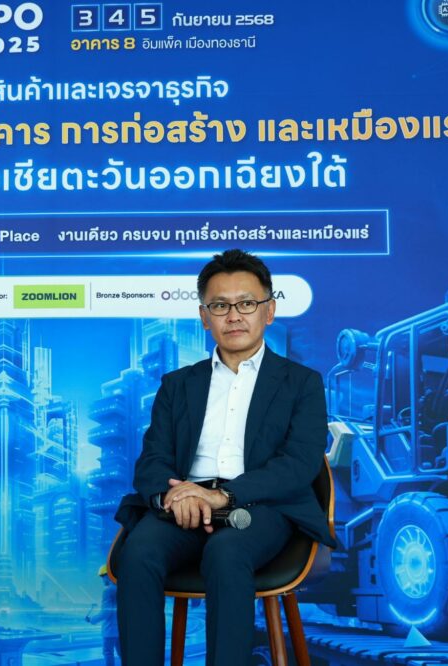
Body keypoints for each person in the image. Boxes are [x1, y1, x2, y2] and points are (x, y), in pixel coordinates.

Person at [113, 249, 337, 666]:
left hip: (263, 507)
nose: (233, 316)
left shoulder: (301, 383)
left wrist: (225, 496)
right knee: (138, 552)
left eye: (246, 303)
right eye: (220, 306)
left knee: (226, 552)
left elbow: (299, 462)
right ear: (204, 317)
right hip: (185, 505)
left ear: (269, 311)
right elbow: (153, 459)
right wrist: (174, 497)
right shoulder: (177, 385)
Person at [86, 565, 119, 666]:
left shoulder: (108, 591)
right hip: (121, 630)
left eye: (102, 576)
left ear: (108, 575)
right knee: (123, 653)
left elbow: (106, 613)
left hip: (110, 630)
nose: (102, 580)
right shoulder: (122, 588)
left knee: (108, 652)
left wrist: (92, 620)